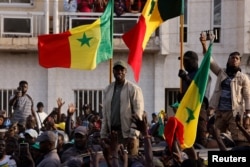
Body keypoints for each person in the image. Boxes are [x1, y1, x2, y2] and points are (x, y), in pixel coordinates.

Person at [200, 32, 250, 146]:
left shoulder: (243, 78)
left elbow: (247, 97)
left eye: (237, 58)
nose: (234, 60)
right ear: (228, 60)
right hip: (220, 113)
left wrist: (248, 116)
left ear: (239, 62)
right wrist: (204, 44)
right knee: (216, 137)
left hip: (235, 113)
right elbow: (209, 61)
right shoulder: (221, 73)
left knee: (239, 139)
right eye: (232, 58)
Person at [100, 60, 144, 156]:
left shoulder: (133, 89)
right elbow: (105, 115)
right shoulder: (108, 89)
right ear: (113, 71)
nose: (119, 71)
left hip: (128, 135)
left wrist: (133, 134)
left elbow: (138, 113)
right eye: (117, 69)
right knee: (114, 162)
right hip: (113, 135)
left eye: (122, 69)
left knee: (129, 162)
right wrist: (103, 134)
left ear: (125, 72)